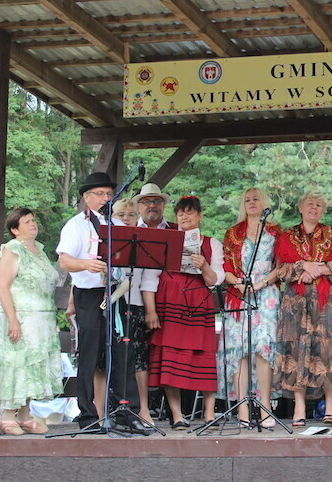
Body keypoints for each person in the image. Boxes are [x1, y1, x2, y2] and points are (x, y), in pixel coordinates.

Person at [57, 171, 147, 434]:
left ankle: (126, 412)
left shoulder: (116, 225)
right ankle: (87, 415)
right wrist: (87, 264)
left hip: (116, 293)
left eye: (108, 194)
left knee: (122, 353)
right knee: (89, 355)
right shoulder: (76, 225)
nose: (105, 198)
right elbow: (64, 260)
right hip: (90, 295)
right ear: (87, 197)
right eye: (100, 194)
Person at [274, 190, 332, 426]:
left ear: (323, 210)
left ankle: (331, 405)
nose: (314, 208)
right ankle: (299, 406)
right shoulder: (287, 236)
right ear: (300, 208)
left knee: (328, 351)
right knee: (297, 352)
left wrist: (318, 268)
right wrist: (303, 266)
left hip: (326, 302)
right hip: (296, 304)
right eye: (310, 204)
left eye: (319, 205)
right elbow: (281, 271)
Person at [146, 195, 225, 428]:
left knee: (204, 357)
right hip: (168, 300)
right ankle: (177, 415)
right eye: (180, 213)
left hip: (198, 302)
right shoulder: (166, 240)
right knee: (170, 358)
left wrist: (204, 265)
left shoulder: (212, 244)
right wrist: (151, 311)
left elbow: (214, 281)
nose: (184, 217)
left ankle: (209, 414)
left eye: (189, 212)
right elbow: (150, 278)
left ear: (200, 216)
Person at [0, 208, 62, 435]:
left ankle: (24, 414)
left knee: (34, 365)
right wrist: (13, 320)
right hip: (22, 315)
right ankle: (7, 415)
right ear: (15, 229)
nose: (33, 224)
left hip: (42, 318)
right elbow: (2, 286)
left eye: (33, 220)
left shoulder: (39, 250)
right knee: (18, 363)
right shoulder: (12, 249)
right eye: (26, 222)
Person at [220, 187, 284, 428]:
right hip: (239, 294)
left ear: (264, 202)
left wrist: (260, 284)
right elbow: (226, 268)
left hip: (266, 293)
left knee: (263, 349)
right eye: (247, 199)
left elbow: (281, 265)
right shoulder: (233, 233)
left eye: (256, 199)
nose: (251, 203)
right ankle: (242, 408)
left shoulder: (276, 231)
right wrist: (239, 284)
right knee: (240, 351)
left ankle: (265, 406)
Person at [129, 183, 176, 425]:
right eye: (147, 201)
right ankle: (136, 408)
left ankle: (171, 410)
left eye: (157, 201)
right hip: (137, 303)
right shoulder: (130, 230)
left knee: (165, 358)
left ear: (163, 205)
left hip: (170, 303)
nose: (152, 206)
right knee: (136, 356)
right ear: (139, 206)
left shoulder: (175, 230)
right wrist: (150, 310)